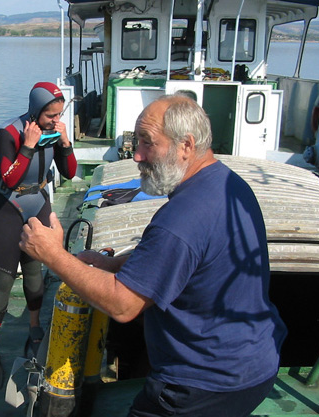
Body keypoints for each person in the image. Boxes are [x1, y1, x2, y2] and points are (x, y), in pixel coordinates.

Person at [19, 95, 287, 416]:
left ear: (186, 146)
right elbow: (191, 256)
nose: (138, 156)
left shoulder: (182, 219)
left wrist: (52, 256)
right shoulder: (229, 186)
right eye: (136, 142)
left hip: (204, 384)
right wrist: (115, 264)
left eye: (148, 143)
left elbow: (123, 305)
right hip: (256, 365)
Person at [0, 82, 77, 391]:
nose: (55, 120)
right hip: (7, 206)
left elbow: (69, 173)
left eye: (59, 115)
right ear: (35, 111)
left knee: (33, 270)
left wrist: (65, 142)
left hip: (38, 202)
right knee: (4, 276)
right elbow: (10, 176)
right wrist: (28, 145)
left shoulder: (54, 131)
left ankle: (34, 327)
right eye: (50, 115)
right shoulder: (8, 133)